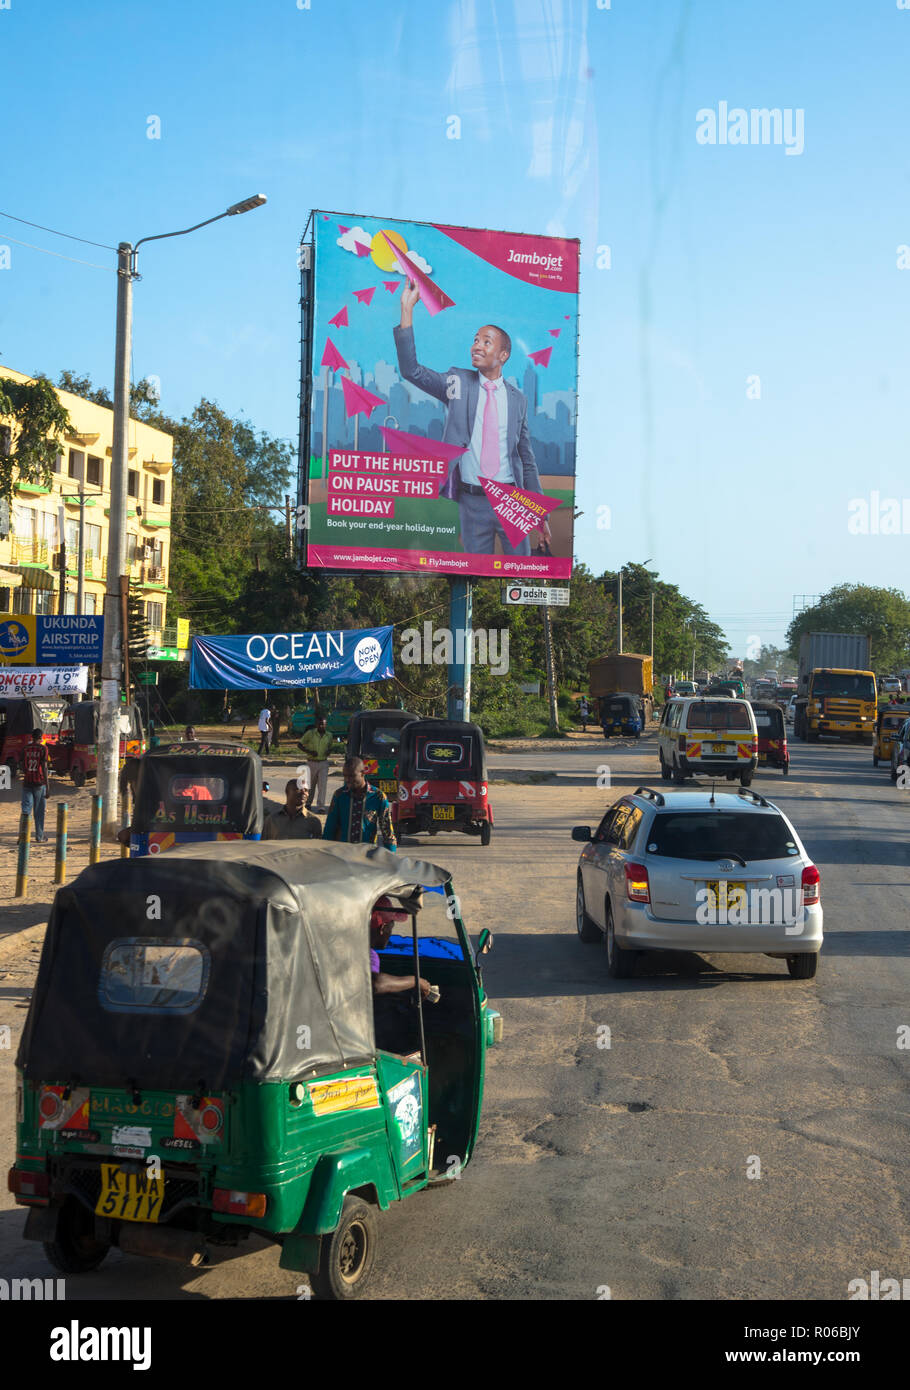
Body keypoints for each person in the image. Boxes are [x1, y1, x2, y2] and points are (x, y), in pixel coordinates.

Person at [394, 281, 552, 558]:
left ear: (503, 355)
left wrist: (540, 516)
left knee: (520, 572)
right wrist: (407, 310)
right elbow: (412, 371)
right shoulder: (457, 381)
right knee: (472, 579)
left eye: (486, 342)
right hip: (471, 502)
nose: (477, 346)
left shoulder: (518, 400)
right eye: (475, 340)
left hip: (511, 501)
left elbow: (527, 460)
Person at [370, 895, 436, 1055]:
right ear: (382, 928)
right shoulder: (370, 955)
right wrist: (417, 981)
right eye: (391, 928)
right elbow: (375, 984)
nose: (391, 934)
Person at [323, 756, 396, 849]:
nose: (347, 780)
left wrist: (390, 856)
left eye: (351, 776)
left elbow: (388, 832)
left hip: (367, 854)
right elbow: (330, 827)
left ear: (363, 773)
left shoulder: (378, 797)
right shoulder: (339, 795)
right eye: (345, 776)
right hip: (342, 854)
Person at [263, 776, 322, 840]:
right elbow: (263, 846)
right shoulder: (272, 819)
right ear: (287, 792)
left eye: (306, 790)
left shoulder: (313, 821)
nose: (303, 792)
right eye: (298, 789)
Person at [298, 714, 333, 811]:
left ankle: (321, 806)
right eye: (319, 724)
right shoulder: (310, 733)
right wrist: (309, 752)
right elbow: (299, 744)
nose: (321, 726)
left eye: (323, 724)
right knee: (310, 785)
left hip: (323, 763)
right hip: (311, 762)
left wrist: (328, 751)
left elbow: (330, 747)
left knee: (322, 785)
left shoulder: (329, 735)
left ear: (326, 725)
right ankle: (308, 803)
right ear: (316, 724)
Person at [21, 727, 50, 842]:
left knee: (26, 811)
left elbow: (22, 766)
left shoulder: (25, 749)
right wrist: (48, 787)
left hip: (27, 783)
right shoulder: (43, 749)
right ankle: (39, 836)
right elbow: (45, 767)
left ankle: (22, 836)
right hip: (39, 783)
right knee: (39, 812)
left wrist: (28, 773)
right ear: (41, 737)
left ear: (32, 737)